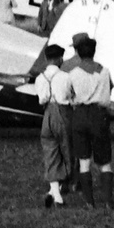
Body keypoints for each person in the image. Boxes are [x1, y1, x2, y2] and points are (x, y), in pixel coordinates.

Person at [65, 36, 114, 208]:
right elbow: (111, 87)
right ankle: (108, 200)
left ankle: (89, 201)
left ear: (78, 52)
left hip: (79, 114)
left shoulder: (73, 73)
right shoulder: (104, 71)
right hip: (99, 114)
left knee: (84, 160)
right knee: (104, 161)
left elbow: (68, 94)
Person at [34, 44, 75, 207]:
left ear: (46, 59)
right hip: (62, 112)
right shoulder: (66, 77)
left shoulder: (40, 78)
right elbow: (71, 96)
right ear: (59, 59)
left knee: (50, 151)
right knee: (67, 150)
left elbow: (40, 99)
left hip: (47, 114)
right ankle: (63, 187)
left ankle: (54, 192)